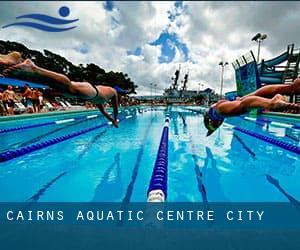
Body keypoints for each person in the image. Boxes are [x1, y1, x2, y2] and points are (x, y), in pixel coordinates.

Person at [4, 59, 132, 127]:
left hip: (89, 91)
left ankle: (17, 63)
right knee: (68, 86)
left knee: (56, 86)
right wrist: (115, 119)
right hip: (91, 91)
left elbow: (103, 111)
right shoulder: (113, 92)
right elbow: (115, 108)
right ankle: (33, 67)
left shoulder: (103, 98)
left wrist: (112, 120)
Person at [204, 78, 300, 136]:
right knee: (252, 96)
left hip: (219, 110)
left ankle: (271, 103)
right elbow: (207, 119)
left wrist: (210, 130)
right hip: (220, 106)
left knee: (242, 105)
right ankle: (290, 88)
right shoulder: (216, 117)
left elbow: (208, 122)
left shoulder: (216, 118)